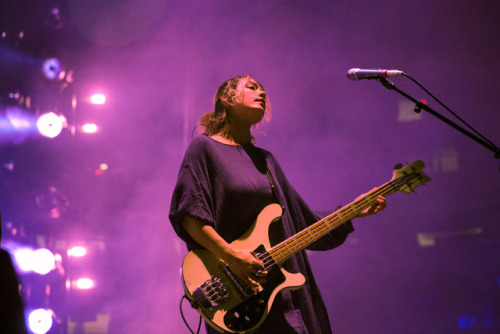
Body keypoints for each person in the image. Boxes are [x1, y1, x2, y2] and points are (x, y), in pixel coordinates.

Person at [169, 75, 386, 333]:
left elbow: (299, 223)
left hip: (278, 295)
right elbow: (191, 216)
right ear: (227, 99)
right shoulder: (204, 148)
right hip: (234, 295)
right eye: (251, 87)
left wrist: (351, 211)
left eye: (263, 89)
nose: (262, 92)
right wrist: (232, 256)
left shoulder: (266, 161)